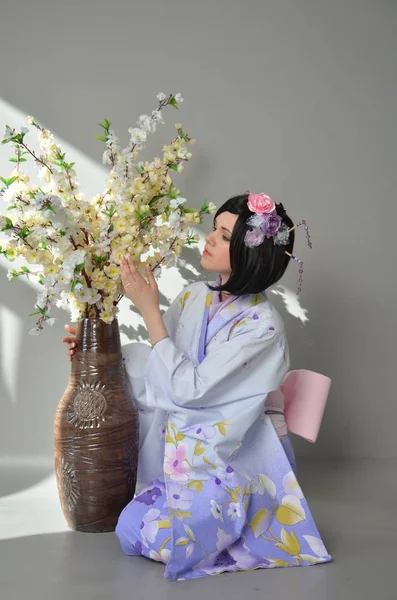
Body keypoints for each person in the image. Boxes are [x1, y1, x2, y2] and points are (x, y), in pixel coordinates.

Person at [63, 192, 331, 580]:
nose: (208, 239)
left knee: (160, 537)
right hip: (188, 451)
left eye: (223, 236)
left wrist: (149, 309)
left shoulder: (262, 325)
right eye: (214, 229)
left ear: (248, 253)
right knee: (130, 528)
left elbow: (190, 389)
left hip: (234, 458)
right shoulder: (193, 295)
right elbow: (161, 357)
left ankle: (244, 519)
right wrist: (96, 355)